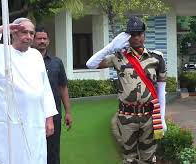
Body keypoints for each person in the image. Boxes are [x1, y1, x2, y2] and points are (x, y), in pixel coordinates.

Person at [0, 18, 58, 164]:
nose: (29, 36)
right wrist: (2, 28)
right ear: (14, 33)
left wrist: (49, 118)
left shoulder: (36, 55)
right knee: (10, 156)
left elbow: (45, 87)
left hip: (34, 117)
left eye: (31, 33)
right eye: (24, 32)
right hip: (8, 119)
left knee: (34, 156)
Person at [86, 16, 167, 164]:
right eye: (132, 35)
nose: (136, 38)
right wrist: (110, 47)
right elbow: (90, 64)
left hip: (149, 116)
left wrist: (162, 116)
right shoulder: (118, 57)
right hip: (126, 117)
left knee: (148, 157)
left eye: (139, 34)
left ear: (144, 35)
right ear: (127, 37)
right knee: (129, 159)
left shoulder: (157, 58)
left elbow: (161, 90)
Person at [31, 27, 72, 164]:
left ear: (48, 41)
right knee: (32, 151)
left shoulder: (56, 62)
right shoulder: (25, 61)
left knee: (53, 151)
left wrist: (68, 112)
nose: (42, 41)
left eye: (44, 38)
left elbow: (63, 87)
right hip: (30, 114)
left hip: (53, 114)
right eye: (39, 38)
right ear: (33, 40)